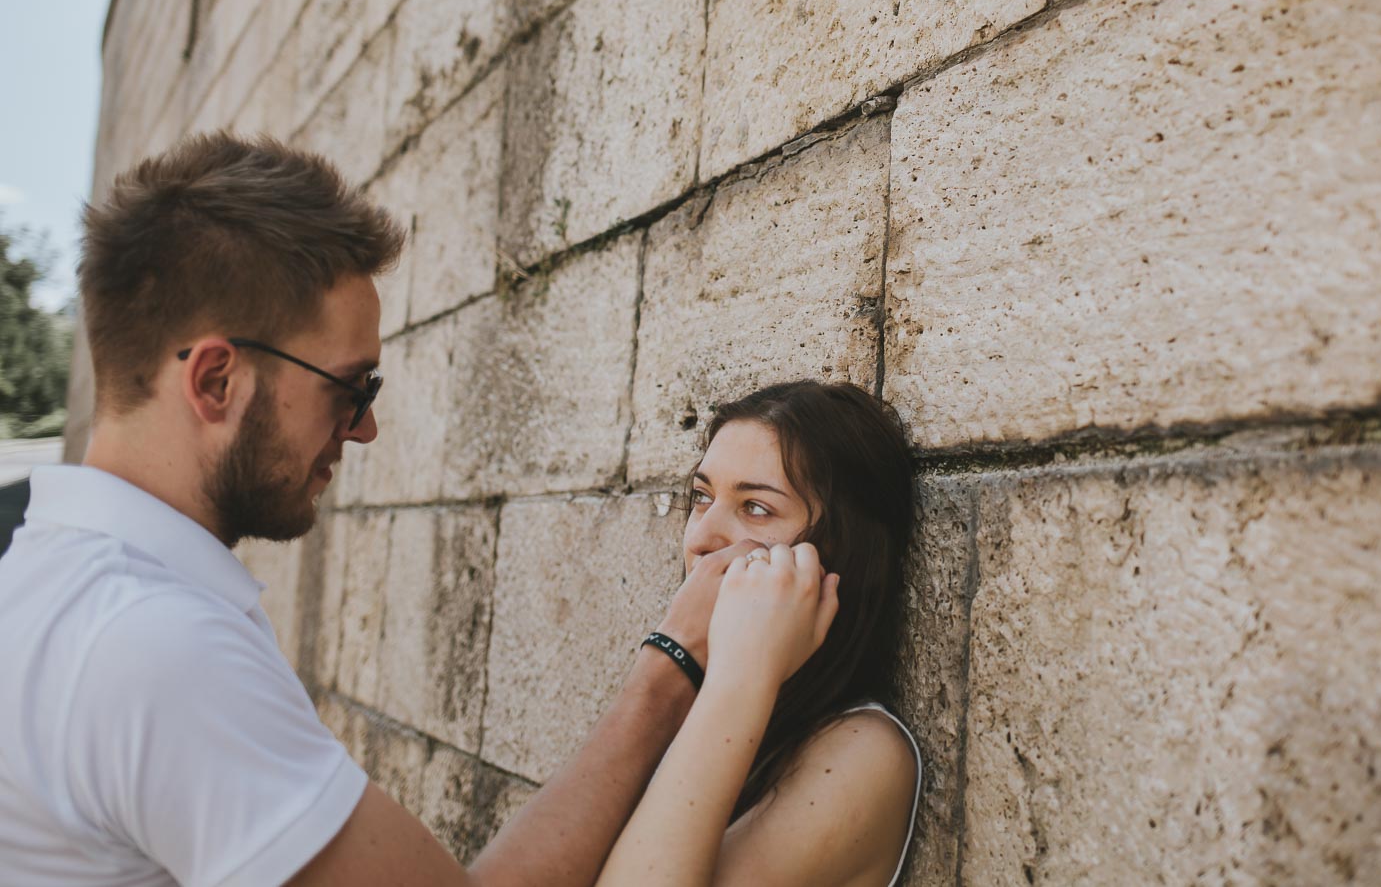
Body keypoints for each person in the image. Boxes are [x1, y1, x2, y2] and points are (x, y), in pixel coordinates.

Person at [0, 132, 836, 887]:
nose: (365, 428)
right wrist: (674, 665)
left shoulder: (50, 583)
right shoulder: (151, 646)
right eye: (349, 389)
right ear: (216, 381)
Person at [597, 382, 923, 887]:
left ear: (836, 554)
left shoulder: (863, 755)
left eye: (756, 508)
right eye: (702, 497)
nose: (701, 538)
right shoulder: (711, 703)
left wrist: (741, 671)